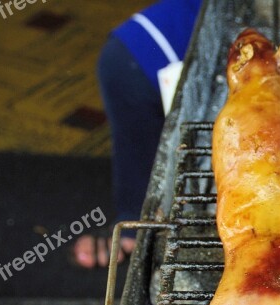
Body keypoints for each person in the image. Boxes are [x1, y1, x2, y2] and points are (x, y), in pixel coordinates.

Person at [73, 0, 203, 268]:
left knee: (157, 152)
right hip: (139, 56)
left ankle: (142, 222)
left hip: (144, 44)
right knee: (141, 154)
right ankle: (133, 229)